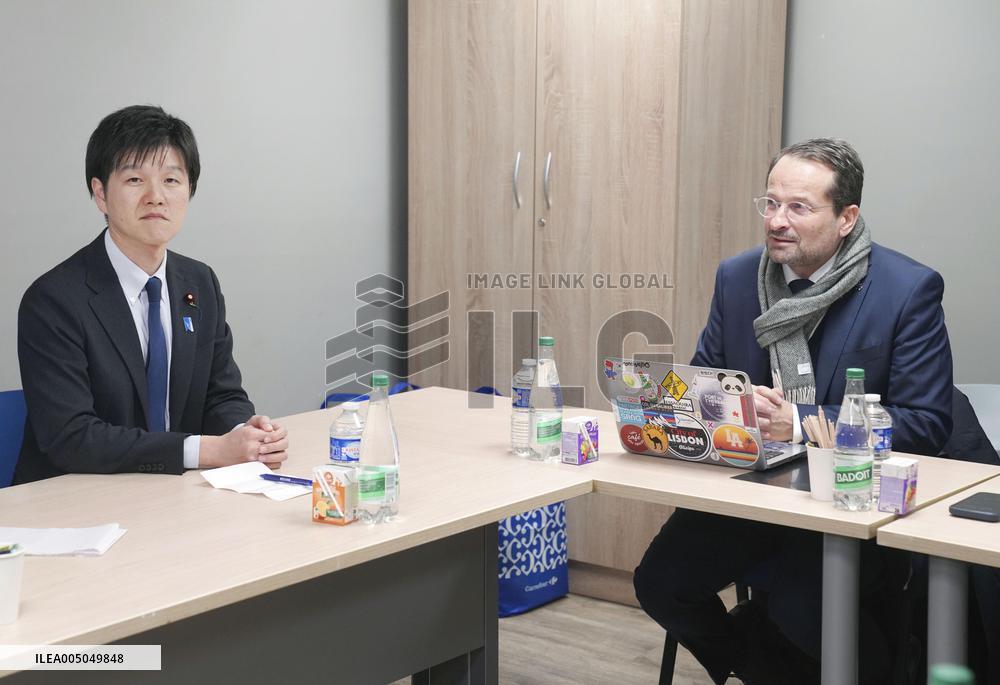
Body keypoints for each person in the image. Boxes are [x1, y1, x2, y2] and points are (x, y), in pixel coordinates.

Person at [633, 138, 953, 684]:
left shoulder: (905, 291)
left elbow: (927, 423)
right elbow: (704, 378)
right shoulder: (737, 278)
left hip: (847, 502)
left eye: (799, 207)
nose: (777, 221)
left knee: (804, 610)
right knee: (660, 582)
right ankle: (758, 664)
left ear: (846, 217)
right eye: (771, 203)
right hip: (751, 491)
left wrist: (803, 420)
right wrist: (718, 402)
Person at [14, 105, 288, 483]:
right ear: (100, 194)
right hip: (73, 502)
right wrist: (207, 450)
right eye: (134, 180)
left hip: (170, 495)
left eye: (172, 181)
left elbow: (221, 395)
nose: (156, 197)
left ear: (189, 190)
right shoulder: (53, 300)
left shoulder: (199, 282)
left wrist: (244, 433)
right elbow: (71, 437)